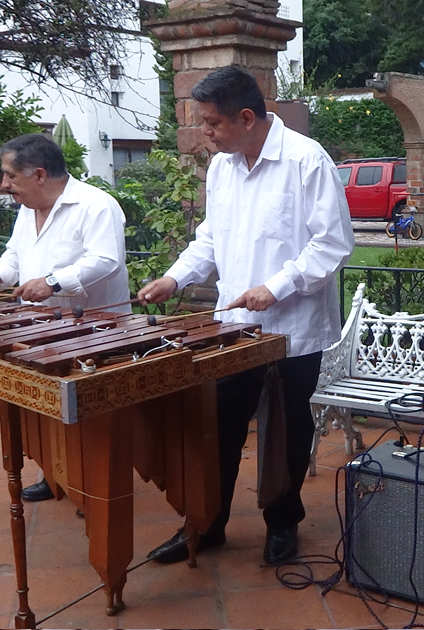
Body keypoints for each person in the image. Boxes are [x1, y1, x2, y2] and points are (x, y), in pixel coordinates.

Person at [136, 66, 353, 565]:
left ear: (247, 117)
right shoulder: (222, 167)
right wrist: (176, 277)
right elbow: (211, 238)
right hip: (231, 329)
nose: (205, 133)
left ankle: (282, 523)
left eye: (212, 123)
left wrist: (276, 287)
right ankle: (206, 524)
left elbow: (333, 243)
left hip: (292, 330)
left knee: (286, 430)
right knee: (217, 427)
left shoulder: (305, 160)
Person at [0, 132, 132, 502]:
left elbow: (106, 260)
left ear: (39, 174)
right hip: (40, 328)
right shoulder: (27, 210)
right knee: (46, 407)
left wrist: (54, 283)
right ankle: (55, 470)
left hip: (93, 330)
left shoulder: (96, 205)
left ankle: (94, 481)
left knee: (88, 413)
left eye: (10, 176)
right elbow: (15, 255)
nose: (5, 185)